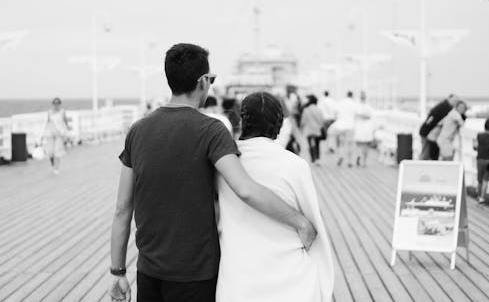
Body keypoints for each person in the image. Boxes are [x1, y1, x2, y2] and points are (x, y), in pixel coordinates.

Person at [108, 43, 317, 302]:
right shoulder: (211, 130)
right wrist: (301, 222)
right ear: (202, 81)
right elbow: (245, 189)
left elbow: (122, 208)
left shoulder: (137, 131)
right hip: (196, 274)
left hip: (149, 270)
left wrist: (118, 271)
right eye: (211, 79)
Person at [216, 92, 334, 302]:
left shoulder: (223, 165)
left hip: (239, 280)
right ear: (279, 124)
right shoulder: (295, 166)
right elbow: (313, 224)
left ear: (242, 120)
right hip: (290, 280)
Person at [419, 94, 458, 160]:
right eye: (454, 100)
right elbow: (431, 119)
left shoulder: (443, 106)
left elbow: (431, 118)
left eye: (456, 101)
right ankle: (419, 167)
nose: (455, 102)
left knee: (427, 153)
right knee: (425, 154)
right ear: (449, 99)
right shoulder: (446, 107)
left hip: (427, 132)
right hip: (427, 133)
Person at [328, 91, 357, 167]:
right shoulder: (354, 103)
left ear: (346, 95)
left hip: (340, 126)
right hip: (350, 126)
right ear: (352, 95)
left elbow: (334, 112)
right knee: (350, 144)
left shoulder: (341, 102)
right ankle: (350, 161)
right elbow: (356, 115)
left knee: (341, 144)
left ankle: (340, 156)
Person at [42, 97, 70, 175]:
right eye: (55, 103)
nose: (56, 105)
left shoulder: (62, 112)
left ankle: (56, 169)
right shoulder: (49, 112)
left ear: (60, 104)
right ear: (52, 104)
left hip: (59, 134)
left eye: (58, 103)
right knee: (50, 152)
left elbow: (65, 121)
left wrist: (67, 130)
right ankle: (53, 164)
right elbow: (47, 122)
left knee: (57, 151)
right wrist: (43, 133)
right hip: (50, 133)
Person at [473, 118, 489, 203]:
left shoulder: (479, 135)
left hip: (479, 159)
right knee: (485, 180)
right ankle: (482, 197)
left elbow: (475, 147)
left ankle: (479, 196)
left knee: (479, 180)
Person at [301, 95, 325, 164]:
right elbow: (322, 120)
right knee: (317, 144)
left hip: (309, 130)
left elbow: (303, 121)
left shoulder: (306, 109)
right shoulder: (319, 109)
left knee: (310, 144)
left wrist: (301, 128)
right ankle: (317, 158)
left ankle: (312, 158)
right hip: (317, 130)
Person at [354, 91, 374, 167]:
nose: (362, 98)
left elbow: (369, 116)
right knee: (359, 144)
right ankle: (360, 157)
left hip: (365, 128)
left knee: (365, 145)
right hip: (359, 127)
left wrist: (360, 115)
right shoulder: (357, 106)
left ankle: (364, 161)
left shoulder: (368, 106)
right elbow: (355, 116)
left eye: (363, 97)